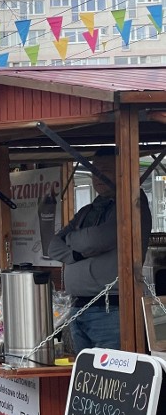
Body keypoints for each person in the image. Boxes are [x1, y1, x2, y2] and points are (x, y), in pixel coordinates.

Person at [48, 148, 152, 353]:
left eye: (105, 170)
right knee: (86, 376)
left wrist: (73, 240)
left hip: (111, 308)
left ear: (123, 171)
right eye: (94, 172)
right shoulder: (87, 211)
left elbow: (101, 238)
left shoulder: (133, 205)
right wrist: (76, 253)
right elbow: (52, 246)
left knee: (113, 377)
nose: (98, 177)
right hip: (78, 307)